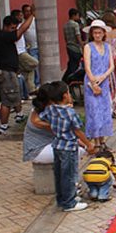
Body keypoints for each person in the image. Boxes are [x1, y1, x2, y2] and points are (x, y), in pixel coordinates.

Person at [39, 81, 96, 212]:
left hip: (57, 146)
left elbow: (43, 117)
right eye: (69, 93)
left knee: (59, 175)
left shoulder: (50, 109)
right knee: (69, 175)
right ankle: (69, 203)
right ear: (65, 96)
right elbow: (77, 130)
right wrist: (88, 144)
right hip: (69, 147)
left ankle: (62, 199)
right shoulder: (70, 113)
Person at [0, 13, 35, 135]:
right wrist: (31, 15)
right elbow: (22, 30)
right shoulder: (3, 36)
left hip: (9, 71)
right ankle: (4, 125)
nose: (14, 31)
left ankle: (19, 114)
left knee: (15, 94)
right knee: (7, 99)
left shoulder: (1, 37)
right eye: (12, 28)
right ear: (5, 27)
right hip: (6, 73)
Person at [82, 20, 115, 149]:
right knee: (94, 111)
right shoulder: (88, 47)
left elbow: (111, 66)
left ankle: (102, 140)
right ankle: (95, 142)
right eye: (95, 33)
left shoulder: (108, 46)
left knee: (104, 111)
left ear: (103, 33)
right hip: (91, 82)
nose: (97, 35)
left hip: (104, 81)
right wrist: (93, 82)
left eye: (99, 33)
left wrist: (103, 77)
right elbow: (87, 66)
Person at [63, 8, 84, 83]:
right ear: (74, 15)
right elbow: (78, 36)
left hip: (69, 46)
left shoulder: (65, 25)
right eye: (77, 15)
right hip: (75, 47)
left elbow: (65, 38)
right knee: (74, 65)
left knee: (71, 63)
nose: (78, 17)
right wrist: (82, 45)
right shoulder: (75, 25)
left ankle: (65, 79)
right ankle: (70, 79)